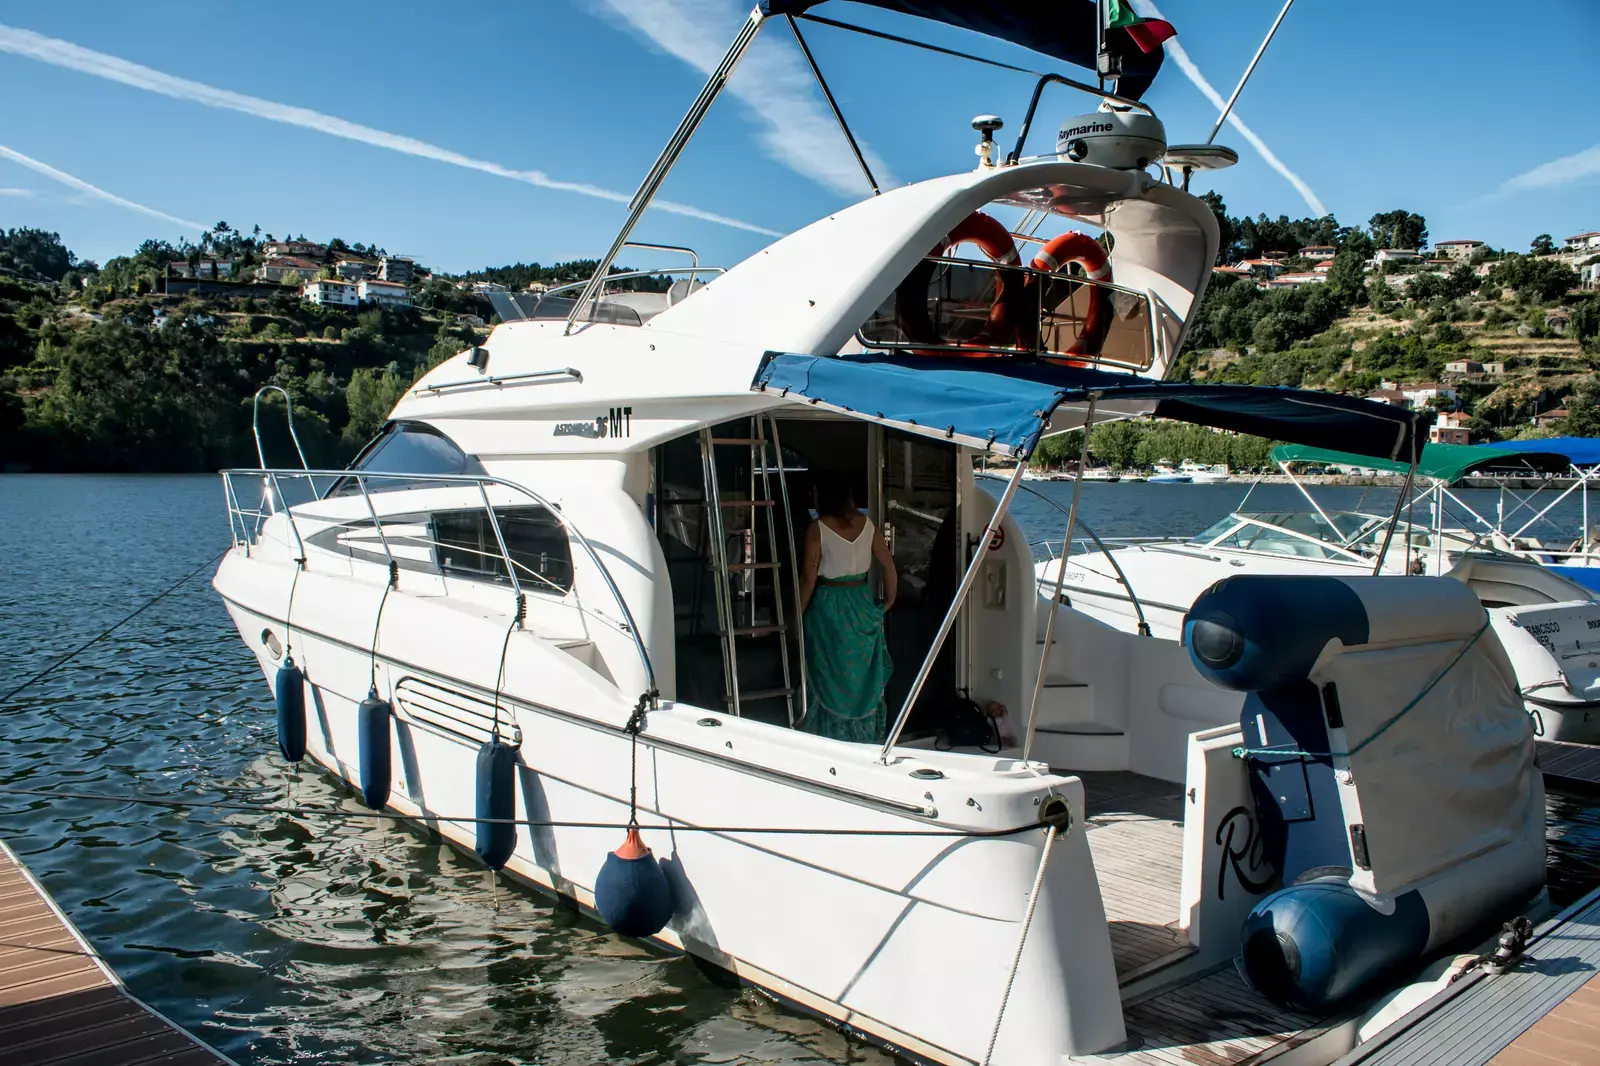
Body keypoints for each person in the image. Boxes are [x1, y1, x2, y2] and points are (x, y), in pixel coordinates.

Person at [798, 477, 897, 742]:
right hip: (861, 599)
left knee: (828, 668)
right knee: (862, 672)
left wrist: (796, 614)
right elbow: (888, 565)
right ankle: (863, 733)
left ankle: (829, 734)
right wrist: (889, 600)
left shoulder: (817, 528)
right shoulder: (868, 525)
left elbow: (809, 577)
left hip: (829, 602)